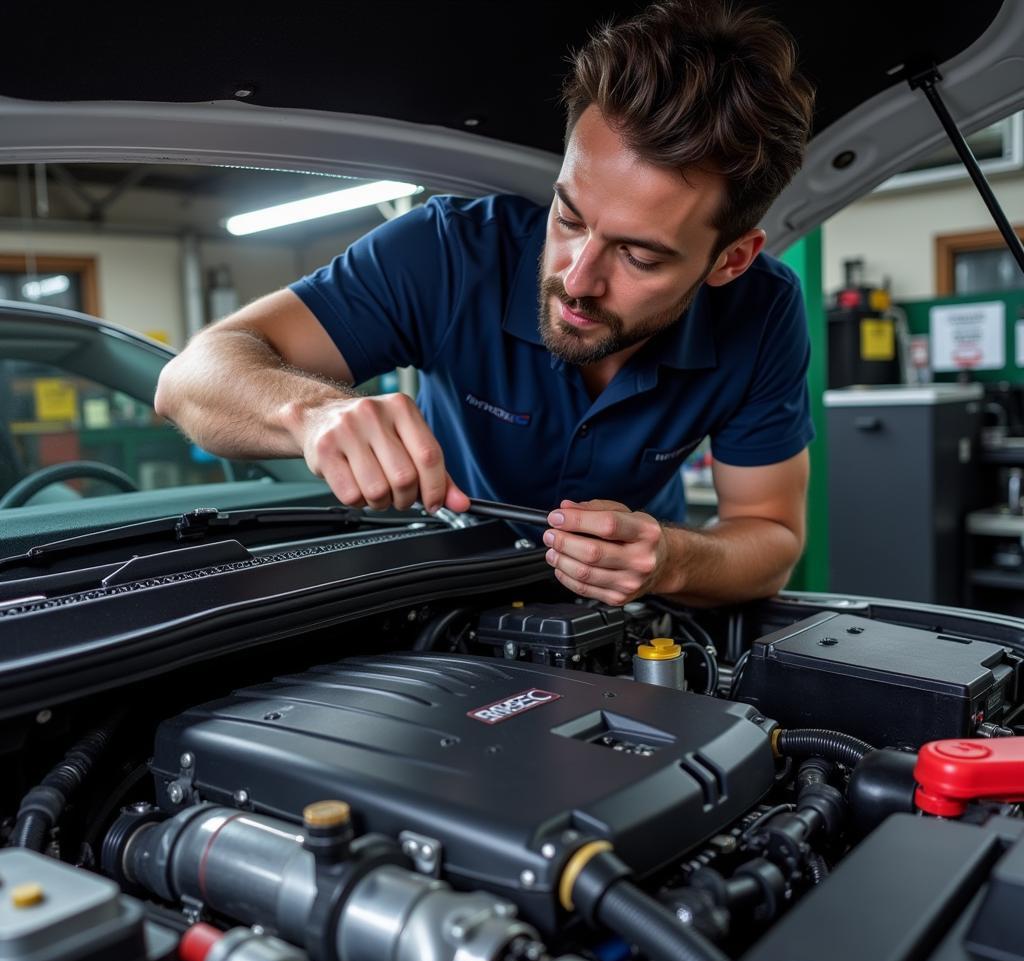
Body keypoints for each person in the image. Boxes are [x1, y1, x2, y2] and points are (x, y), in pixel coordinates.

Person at [155, 0, 816, 608]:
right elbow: (189, 380)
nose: (577, 278)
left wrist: (674, 560)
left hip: (633, 612)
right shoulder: (448, 254)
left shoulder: (763, 314)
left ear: (731, 259)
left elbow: (770, 535)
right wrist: (312, 416)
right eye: (570, 217)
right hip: (443, 593)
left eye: (640, 255)